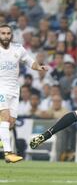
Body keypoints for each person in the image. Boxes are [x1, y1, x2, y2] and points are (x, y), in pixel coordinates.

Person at [0, 24, 48, 163]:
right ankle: (8, 153)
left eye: (8, 33)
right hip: (1, 88)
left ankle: (5, 146)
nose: (5, 36)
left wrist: (38, 67)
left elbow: (29, 61)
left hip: (15, 89)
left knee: (11, 122)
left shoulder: (18, 48)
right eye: (3, 33)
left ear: (11, 35)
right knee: (4, 117)